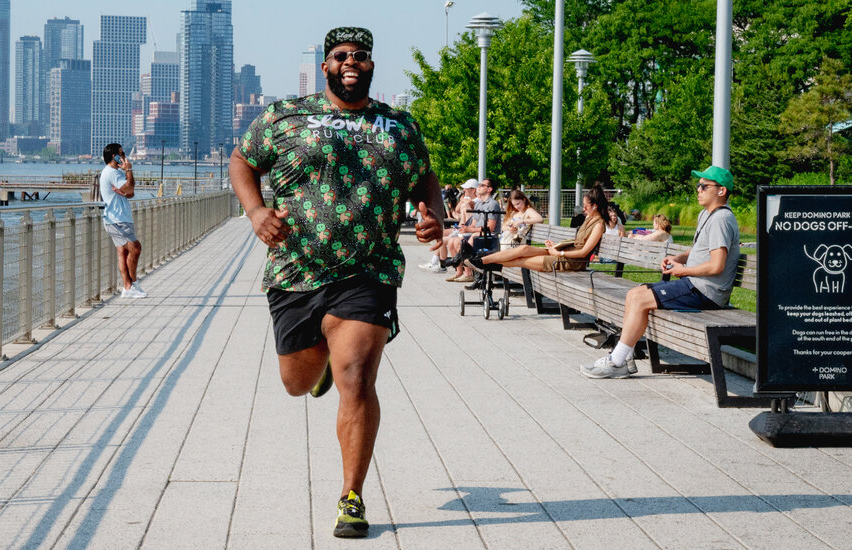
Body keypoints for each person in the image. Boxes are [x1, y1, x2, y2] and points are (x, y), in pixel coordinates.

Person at [228, 27, 445, 538]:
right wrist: (255, 211)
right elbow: (242, 160)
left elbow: (424, 176)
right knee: (296, 383)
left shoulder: (398, 126)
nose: (351, 62)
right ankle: (320, 360)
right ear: (325, 65)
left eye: (360, 56)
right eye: (341, 55)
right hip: (296, 269)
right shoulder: (286, 116)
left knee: (358, 378)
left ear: (371, 66)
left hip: (369, 270)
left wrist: (433, 214)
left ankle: (352, 496)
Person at [580, 165, 739, 379]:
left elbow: (717, 265)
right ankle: (625, 357)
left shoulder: (722, 219)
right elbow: (699, 251)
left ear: (721, 191)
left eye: (704, 186)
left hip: (706, 291)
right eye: (698, 185)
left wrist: (684, 270)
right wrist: (678, 259)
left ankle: (617, 361)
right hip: (695, 285)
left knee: (639, 300)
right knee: (634, 294)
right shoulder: (706, 215)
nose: (698, 189)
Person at [469, 183, 608, 273]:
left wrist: (559, 253)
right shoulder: (589, 219)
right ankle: (482, 260)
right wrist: (556, 246)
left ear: (595, 206)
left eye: (586, 206)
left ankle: (483, 262)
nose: (583, 209)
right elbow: (577, 242)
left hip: (571, 262)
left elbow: (583, 252)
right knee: (523, 249)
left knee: (521, 260)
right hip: (563, 253)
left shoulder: (598, 225)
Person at [99, 143, 146, 298]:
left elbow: (130, 192)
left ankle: (127, 288)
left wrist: (125, 192)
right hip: (118, 219)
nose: (125, 156)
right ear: (115, 156)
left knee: (123, 253)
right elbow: (130, 187)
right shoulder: (113, 173)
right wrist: (129, 170)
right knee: (136, 248)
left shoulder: (113, 172)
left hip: (117, 218)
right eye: (122, 153)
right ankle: (133, 284)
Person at [446, 179, 500, 282]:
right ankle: (459, 272)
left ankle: (467, 273)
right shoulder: (479, 204)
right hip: (478, 233)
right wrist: (466, 229)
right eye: (479, 185)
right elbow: (474, 223)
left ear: (489, 189)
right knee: (452, 241)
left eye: (482, 185)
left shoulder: (493, 204)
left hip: (489, 236)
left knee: (461, 242)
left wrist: (470, 229)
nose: (478, 187)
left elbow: (490, 228)